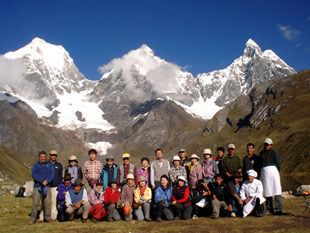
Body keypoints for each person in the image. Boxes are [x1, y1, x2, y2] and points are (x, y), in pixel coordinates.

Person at [29, 151, 55, 225]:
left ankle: (48, 218)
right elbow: (34, 174)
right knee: (35, 203)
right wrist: (41, 181)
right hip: (38, 186)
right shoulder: (35, 165)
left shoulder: (49, 165)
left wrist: (47, 181)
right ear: (39, 157)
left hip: (47, 186)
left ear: (46, 157)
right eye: (41, 157)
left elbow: (52, 174)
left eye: (44, 157)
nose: (43, 158)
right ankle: (33, 218)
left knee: (47, 203)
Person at [259, 138, 282, 215]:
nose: (266, 146)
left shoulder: (274, 153)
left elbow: (278, 164)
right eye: (265, 144)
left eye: (268, 145)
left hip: (273, 172)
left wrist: (276, 171)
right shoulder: (261, 153)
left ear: (271, 145)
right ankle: (269, 209)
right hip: (265, 173)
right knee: (267, 191)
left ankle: (278, 209)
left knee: (277, 190)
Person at [48, 150, 63, 221]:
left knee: (54, 202)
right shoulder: (46, 164)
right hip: (47, 186)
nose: (53, 156)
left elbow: (61, 176)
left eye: (55, 155)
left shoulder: (59, 165)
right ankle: (43, 215)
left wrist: (59, 185)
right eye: (52, 155)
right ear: (50, 155)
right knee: (46, 201)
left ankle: (53, 216)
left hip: (55, 186)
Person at [188, 154, 203, 219]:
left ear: (197, 160)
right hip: (191, 185)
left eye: (194, 159)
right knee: (192, 198)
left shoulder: (198, 166)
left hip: (196, 185)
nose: (193, 160)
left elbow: (199, 176)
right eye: (192, 159)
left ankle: (197, 213)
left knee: (196, 199)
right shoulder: (191, 166)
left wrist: (199, 184)